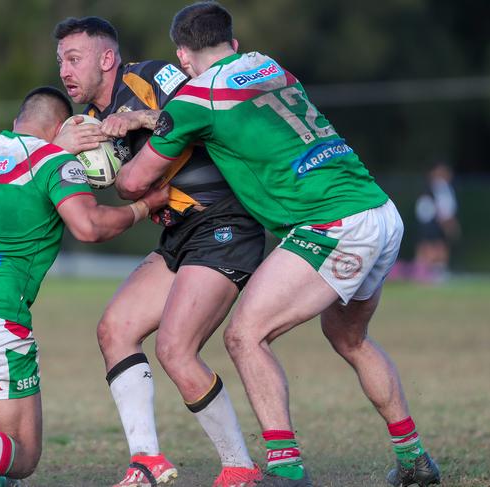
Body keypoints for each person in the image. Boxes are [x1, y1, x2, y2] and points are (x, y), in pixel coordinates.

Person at [114, 3, 441, 487]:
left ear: (182, 56)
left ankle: (286, 470)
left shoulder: (193, 100)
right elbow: (228, 110)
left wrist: (110, 144)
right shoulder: (270, 67)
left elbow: (132, 182)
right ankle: (413, 459)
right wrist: (154, 116)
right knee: (350, 339)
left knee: (246, 336)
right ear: (233, 42)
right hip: (379, 211)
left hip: (331, 223)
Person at [0, 86, 169, 487]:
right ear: (65, 128)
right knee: (24, 454)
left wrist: (54, 147)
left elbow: (25, 161)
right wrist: (143, 207)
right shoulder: (56, 162)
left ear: (16, 125)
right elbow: (89, 227)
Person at [54, 16, 265, 487]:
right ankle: (147, 461)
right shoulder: (86, 124)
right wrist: (57, 149)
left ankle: (240, 468)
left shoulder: (150, 77)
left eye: (74, 59)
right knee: (115, 330)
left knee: (175, 349)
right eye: (60, 61)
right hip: (177, 235)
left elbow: (210, 110)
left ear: (107, 59)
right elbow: (116, 192)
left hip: (223, 222)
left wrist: (141, 119)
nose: (65, 71)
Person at [413, 162, 459, 283]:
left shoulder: (438, 186)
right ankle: (427, 273)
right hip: (432, 222)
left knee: (434, 246)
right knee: (434, 247)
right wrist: (448, 223)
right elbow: (443, 208)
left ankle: (430, 273)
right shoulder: (439, 186)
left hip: (430, 222)